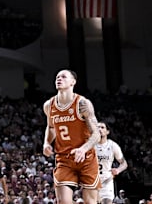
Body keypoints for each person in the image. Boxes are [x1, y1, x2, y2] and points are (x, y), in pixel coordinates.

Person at [43, 69, 101, 204]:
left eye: (63, 77)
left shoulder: (82, 103)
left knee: (90, 202)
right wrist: (46, 143)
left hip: (86, 158)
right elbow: (51, 127)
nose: (59, 79)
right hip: (64, 158)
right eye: (57, 77)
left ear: (73, 82)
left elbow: (97, 134)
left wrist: (83, 149)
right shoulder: (49, 105)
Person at [95, 122, 128, 204]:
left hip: (106, 181)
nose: (99, 129)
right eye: (97, 127)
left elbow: (124, 164)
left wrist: (118, 170)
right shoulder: (90, 145)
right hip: (92, 180)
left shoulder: (113, 145)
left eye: (102, 127)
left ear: (107, 131)